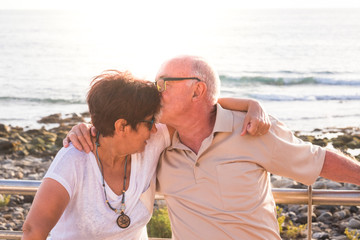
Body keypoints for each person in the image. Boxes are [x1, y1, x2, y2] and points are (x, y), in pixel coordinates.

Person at [66, 55, 360, 240]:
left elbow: (318, 160)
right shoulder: (156, 138)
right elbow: (116, 127)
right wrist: (86, 129)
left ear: (197, 90)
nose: (155, 92)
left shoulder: (251, 129)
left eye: (163, 83)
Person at [22, 70, 270, 240]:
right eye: (149, 121)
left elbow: (197, 108)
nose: (155, 128)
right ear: (121, 127)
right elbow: (34, 230)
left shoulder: (151, 141)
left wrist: (251, 105)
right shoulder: (75, 158)